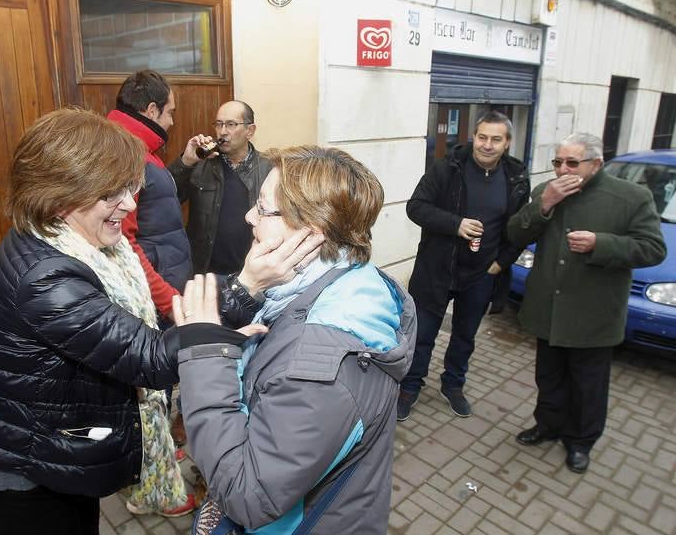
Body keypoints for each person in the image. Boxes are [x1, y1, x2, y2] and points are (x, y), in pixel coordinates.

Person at [0, 108, 257, 535]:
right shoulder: (47, 279)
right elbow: (149, 358)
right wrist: (249, 285)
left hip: (51, 448)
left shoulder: (72, 241)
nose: (129, 204)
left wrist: (229, 299)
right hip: (17, 469)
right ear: (60, 194)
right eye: (112, 192)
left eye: (130, 187)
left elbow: (148, 331)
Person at [175, 146, 417, 534]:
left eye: (264, 209)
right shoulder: (341, 284)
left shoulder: (319, 369)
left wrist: (206, 361)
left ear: (311, 233)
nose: (249, 216)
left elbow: (246, 495)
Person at [508, 133, 665, 473]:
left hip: (593, 315)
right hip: (549, 310)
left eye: (572, 163)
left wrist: (602, 244)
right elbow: (515, 234)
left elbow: (653, 249)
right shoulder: (546, 192)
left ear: (596, 163)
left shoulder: (631, 197)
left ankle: (580, 442)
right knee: (548, 377)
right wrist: (544, 205)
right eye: (557, 162)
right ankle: (547, 425)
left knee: (587, 385)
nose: (562, 169)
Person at [397, 111, 530, 420]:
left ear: (507, 143)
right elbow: (415, 207)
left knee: (465, 336)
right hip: (436, 270)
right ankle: (410, 388)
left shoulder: (516, 178)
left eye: (496, 139)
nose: (487, 145)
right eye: (482, 137)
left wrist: (501, 263)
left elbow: (521, 228)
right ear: (474, 137)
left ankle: (453, 385)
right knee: (422, 335)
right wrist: (455, 224)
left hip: (482, 274)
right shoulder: (448, 168)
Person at [109, 70, 190, 320]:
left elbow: (154, 202)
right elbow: (123, 244)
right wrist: (169, 301)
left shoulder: (139, 147)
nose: (172, 122)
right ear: (152, 110)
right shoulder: (125, 154)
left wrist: (186, 162)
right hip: (157, 299)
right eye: (170, 112)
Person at [169, 100, 272, 275]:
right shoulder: (201, 165)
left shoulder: (268, 169)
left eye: (231, 125)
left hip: (252, 274)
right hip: (205, 272)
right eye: (219, 124)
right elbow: (166, 198)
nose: (223, 132)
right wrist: (186, 162)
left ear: (250, 130)